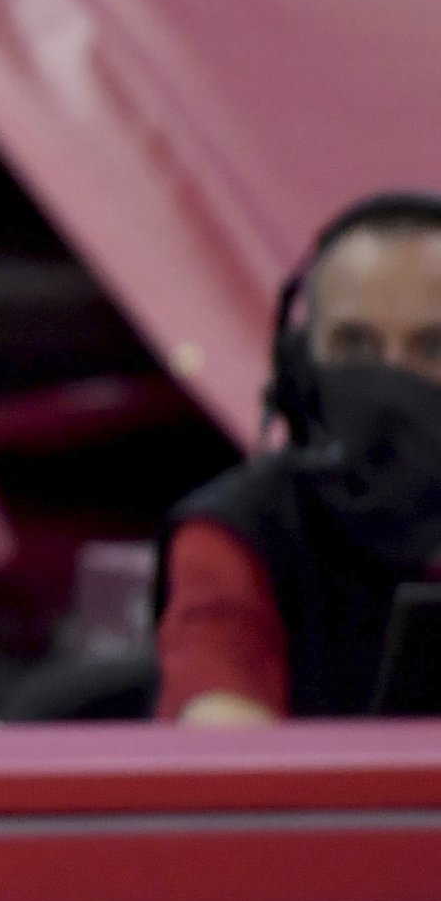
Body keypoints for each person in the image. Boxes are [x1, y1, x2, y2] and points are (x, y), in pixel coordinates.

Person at [158, 194, 441, 725]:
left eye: (433, 347)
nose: (391, 379)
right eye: (355, 346)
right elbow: (226, 752)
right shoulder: (237, 534)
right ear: (299, 368)